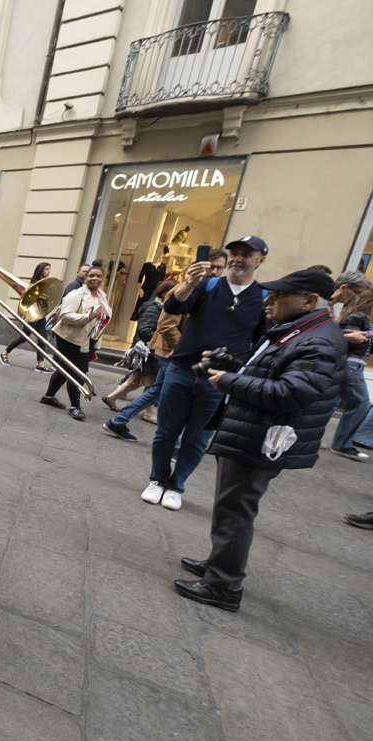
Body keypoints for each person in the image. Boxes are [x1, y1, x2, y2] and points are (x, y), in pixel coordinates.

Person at [175, 269, 345, 611]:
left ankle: (223, 586)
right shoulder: (302, 330)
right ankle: (221, 565)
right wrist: (235, 366)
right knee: (230, 507)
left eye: (279, 297)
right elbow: (275, 374)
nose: (269, 302)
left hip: (262, 438)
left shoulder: (318, 339)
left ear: (310, 301)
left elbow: (292, 392)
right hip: (253, 431)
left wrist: (229, 381)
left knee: (236, 510)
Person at [142, 236, 269, 511]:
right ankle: (157, 480)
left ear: (260, 261)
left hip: (219, 381)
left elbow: (261, 342)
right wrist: (188, 283)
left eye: (246, 254)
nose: (238, 258)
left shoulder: (263, 297)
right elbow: (173, 307)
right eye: (234, 253)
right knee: (166, 432)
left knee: (197, 439)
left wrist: (235, 364)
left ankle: (176, 486)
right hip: (181, 370)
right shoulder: (208, 285)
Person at [102, 280, 179, 440]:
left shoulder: (161, 307)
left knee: (138, 381)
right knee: (151, 385)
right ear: (163, 292)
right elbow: (145, 330)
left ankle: (113, 398)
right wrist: (157, 345)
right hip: (149, 351)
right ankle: (147, 413)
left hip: (150, 350)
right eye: (173, 292)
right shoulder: (154, 307)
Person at [40, 264, 110, 420]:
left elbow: (102, 320)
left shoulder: (102, 296)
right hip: (70, 339)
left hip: (87, 340)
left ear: (102, 279)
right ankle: (75, 406)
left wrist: (95, 343)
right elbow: (65, 316)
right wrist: (87, 317)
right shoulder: (76, 294)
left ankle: (48, 397)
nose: (95, 278)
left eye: (99, 276)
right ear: (85, 278)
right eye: (91, 275)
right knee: (78, 372)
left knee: (65, 369)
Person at [327, 279, 373, 459]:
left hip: (353, 365)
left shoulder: (364, 319)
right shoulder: (357, 317)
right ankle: (342, 445)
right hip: (351, 365)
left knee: (330, 402)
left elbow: (366, 344)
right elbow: (347, 338)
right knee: (360, 403)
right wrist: (368, 335)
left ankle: (313, 439)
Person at [0, 261, 54, 373]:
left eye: (49, 269)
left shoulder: (45, 283)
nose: (49, 271)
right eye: (46, 269)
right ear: (40, 270)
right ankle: (4, 354)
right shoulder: (35, 283)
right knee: (24, 337)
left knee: (42, 339)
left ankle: (40, 364)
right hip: (32, 314)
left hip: (40, 314)